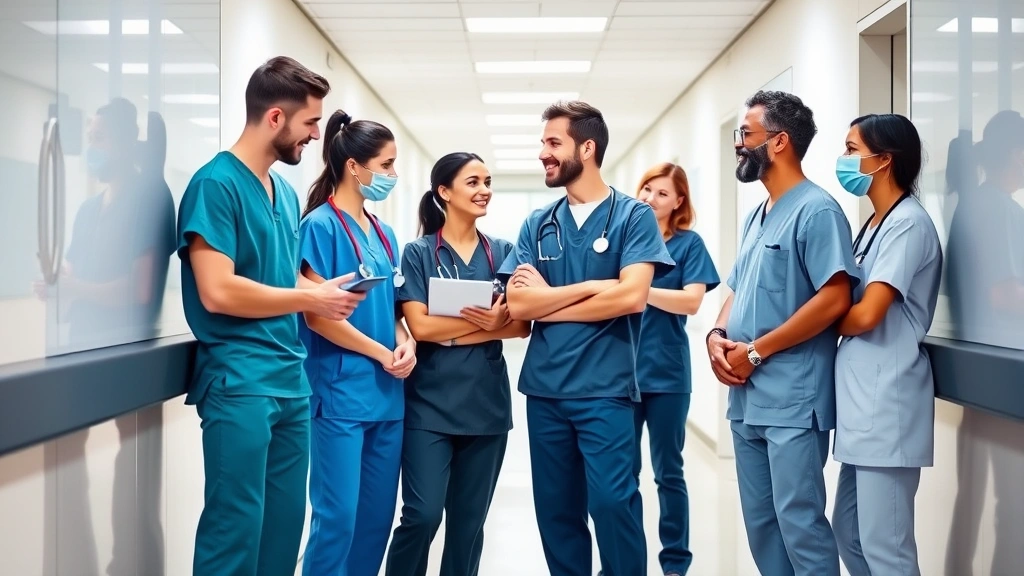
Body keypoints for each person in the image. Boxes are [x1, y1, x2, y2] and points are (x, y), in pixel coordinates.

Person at [177, 57, 365, 576]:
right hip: (240, 382)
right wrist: (309, 301)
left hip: (290, 382)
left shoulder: (282, 191)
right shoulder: (216, 184)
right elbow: (218, 290)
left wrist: (319, 291)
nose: (316, 136)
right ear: (276, 117)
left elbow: (279, 277)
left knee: (282, 533)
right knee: (234, 531)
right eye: (310, 123)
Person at [499, 100, 674, 576]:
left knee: (614, 504)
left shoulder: (633, 217)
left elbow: (632, 297)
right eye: (543, 143)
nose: (543, 153)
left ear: (587, 148)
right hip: (546, 391)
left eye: (553, 143)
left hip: (606, 389)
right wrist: (595, 287)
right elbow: (519, 306)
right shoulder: (538, 223)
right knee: (556, 512)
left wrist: (548, 300)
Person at [705, 90, 858, 576]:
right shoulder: (758, 214)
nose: (738, 144)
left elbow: (834, 299)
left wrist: (754, 352)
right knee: (762, 526)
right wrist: (716, 334)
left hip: (792, 399)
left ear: (779, 142)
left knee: (800, 525)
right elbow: (738, 289)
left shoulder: (817, 211)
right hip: (747, 400)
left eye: (745, 134)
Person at [384, 152, 531, 576]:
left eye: (488, 182)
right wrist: (488, 324)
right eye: (473, 182)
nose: (484, 190)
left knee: (468, 527)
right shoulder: (418, 253)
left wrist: (454, 330)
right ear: (444, 192)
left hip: (485, 408)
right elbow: (421, 327)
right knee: (422, 514)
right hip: (428, 405)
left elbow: (520, 326)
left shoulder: (503, 253)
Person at [299, 110, 416, 576]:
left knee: (374, 522)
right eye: (386, 165)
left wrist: (406, 343)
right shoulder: (319, 226)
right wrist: (382, 353)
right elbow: (316, 314)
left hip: (387, 396)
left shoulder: (385, 235)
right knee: (337, 520)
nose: (393, 175)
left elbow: (392, 309)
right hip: (340, 395)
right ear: (354, 166)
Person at [829, 113, 940, 576]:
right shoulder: (875, 223)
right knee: (849, 533)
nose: (844, 158)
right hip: (862, 407)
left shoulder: (908, 224)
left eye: (852, 150)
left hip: (886, 405)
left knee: (886, 548)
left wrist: (814, 322)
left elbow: (867, 314)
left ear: (884, 159)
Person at [632, 162, 720, 576]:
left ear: (679, 201)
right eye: (647, 189)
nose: (651, 198)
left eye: (662, 193)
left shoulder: (688, 245)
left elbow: (691, 301)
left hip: (667, 374)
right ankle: (624, 561)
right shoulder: (624, 240)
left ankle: (675, 564)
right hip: (620, 374)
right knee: (621, 475)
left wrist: (638, 290)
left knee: (669, 471)